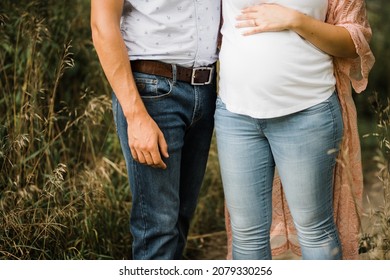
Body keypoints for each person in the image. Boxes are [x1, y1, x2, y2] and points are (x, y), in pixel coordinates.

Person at [216, 0, 374, 259]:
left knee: (315, 230)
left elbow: (352, 41)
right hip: (236, 116)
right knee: (246, 234)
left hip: (308, 113)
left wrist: (294, 20)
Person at [90, 0, 221, 259]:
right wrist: (136, 116)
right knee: (158, 228)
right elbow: (101, 24)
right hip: (153, 93)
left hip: (205, 89)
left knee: (180, 220)